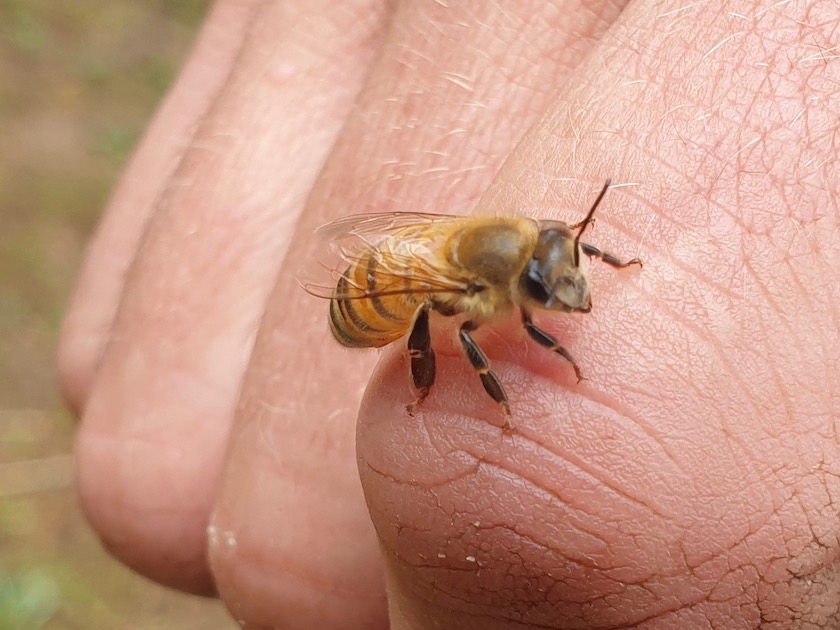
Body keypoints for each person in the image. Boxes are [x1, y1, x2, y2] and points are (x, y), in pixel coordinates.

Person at [58, 0, 840, 627]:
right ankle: (435, 390)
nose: (565, 287)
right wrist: (524, 375)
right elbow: (467, 322)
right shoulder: (480, 289)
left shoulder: (530, 239)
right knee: (456, 329)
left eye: (562, 265)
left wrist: (602, 260)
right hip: (386, 286)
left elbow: (548, 244)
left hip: (414, 256)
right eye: (551, 283)